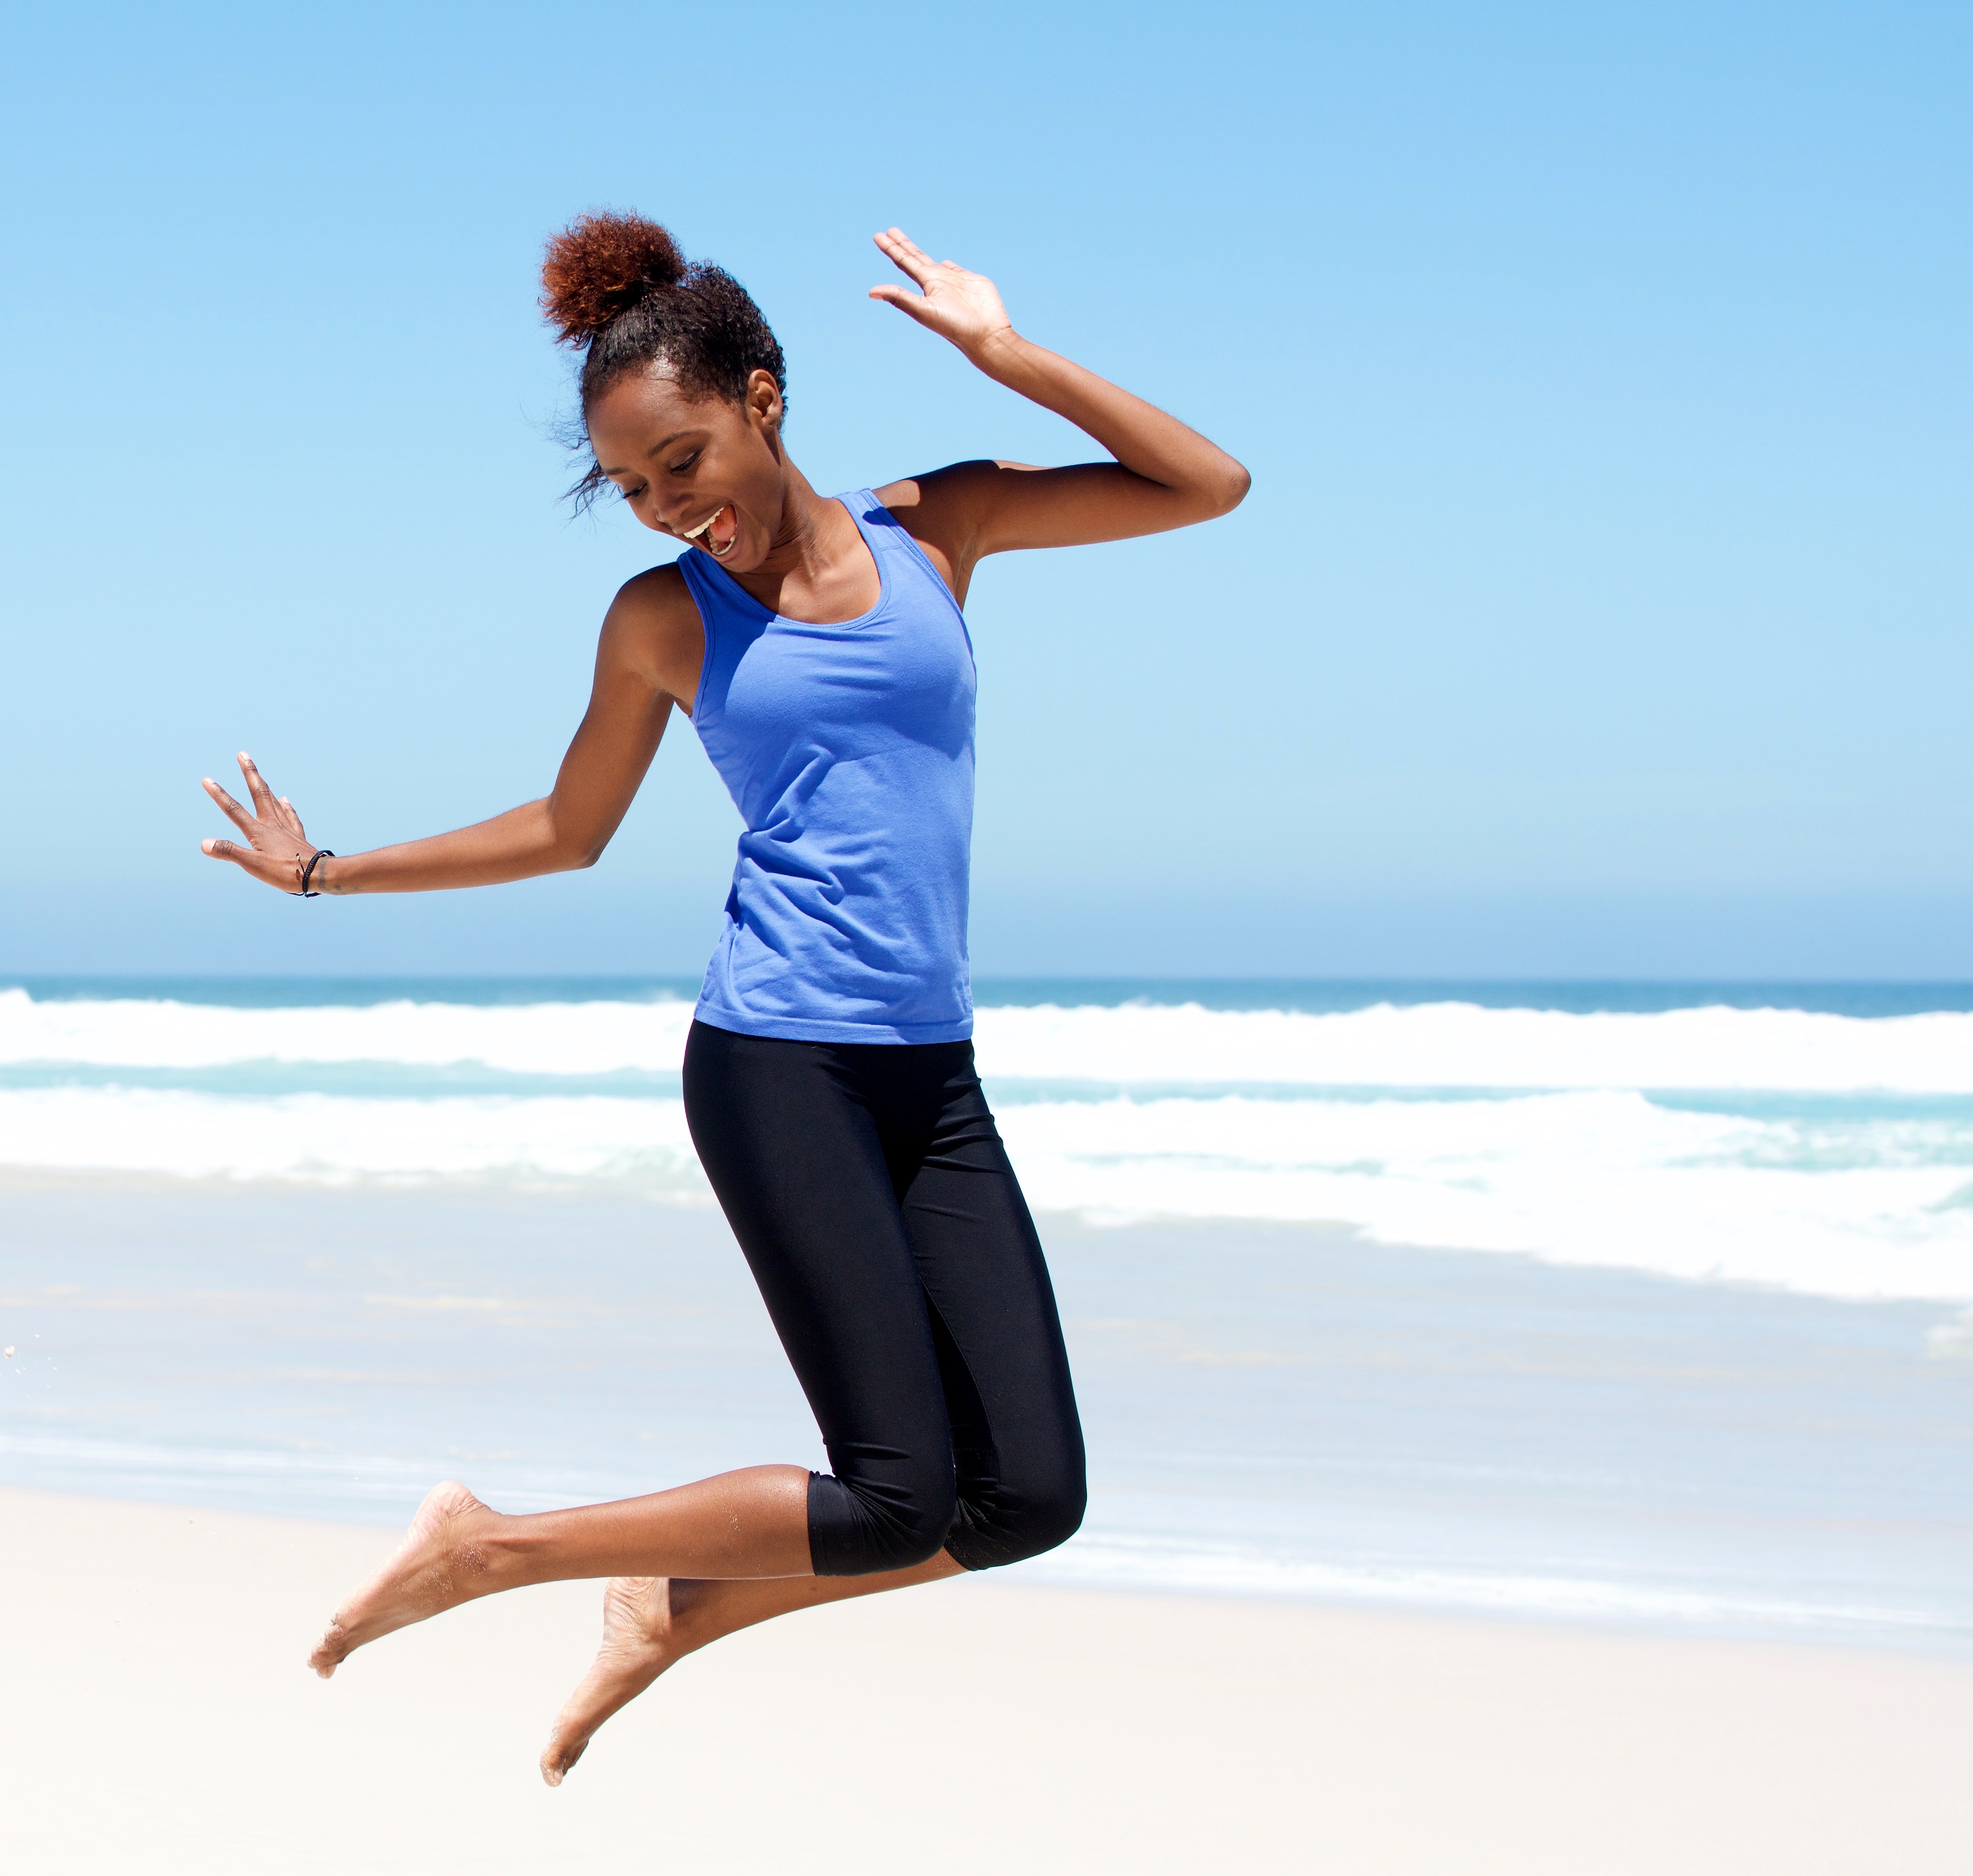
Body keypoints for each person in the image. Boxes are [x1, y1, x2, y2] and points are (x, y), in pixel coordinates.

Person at [196, 213, 1247, 1785]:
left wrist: (1001, 353)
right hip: (776, 1064)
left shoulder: (933, 532)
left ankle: (676, 1609)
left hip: (926, 1070)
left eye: (680, 461)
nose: (668, 507)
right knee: (897, 1490)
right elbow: (566, 830)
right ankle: (492, 1546)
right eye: (631, 487)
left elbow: (1203, 484)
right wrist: (324, 871)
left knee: (1024, 1497)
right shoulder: (663, 618)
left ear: (763, 398)